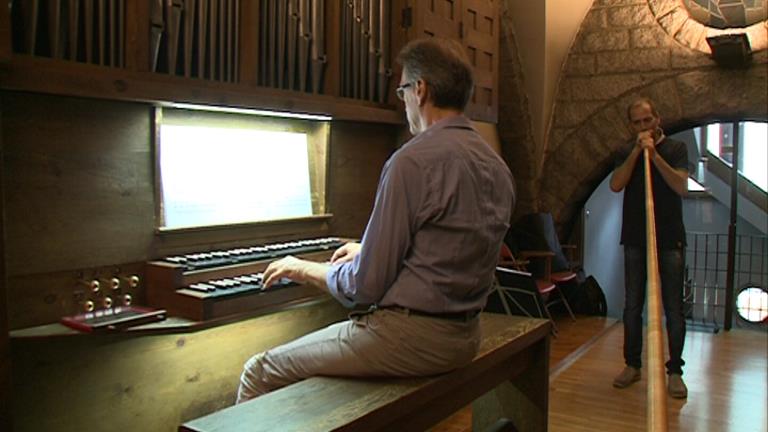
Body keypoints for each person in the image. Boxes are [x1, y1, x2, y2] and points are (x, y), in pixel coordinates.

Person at [235, 37, 516, 403]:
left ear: (420, 89)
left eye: (402, 93)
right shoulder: (497, 167)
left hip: (409, 339)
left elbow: (364, 287)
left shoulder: (412, 161)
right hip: (464, 336)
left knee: (259, 370)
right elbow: (448, 246)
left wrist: (301, 268)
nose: (403, 105)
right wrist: (368, 247)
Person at [609, 97, 688, 399]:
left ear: (658, 119)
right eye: (637, 122)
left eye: (647, 120)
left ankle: (675, 372)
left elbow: (681, 186)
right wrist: (636, 153)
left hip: (670, 239)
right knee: (632, 306)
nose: (643, 127)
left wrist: (654, 156)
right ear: (631, 125)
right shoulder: (624, 151)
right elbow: (616, 184)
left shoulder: (677, 149)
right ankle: (632, 364)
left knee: (673, 308)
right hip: (635, 239)